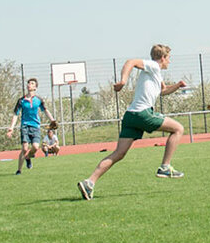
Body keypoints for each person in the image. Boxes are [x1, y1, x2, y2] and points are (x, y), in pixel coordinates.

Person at [78, 44, 189, 200]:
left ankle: (89, 182)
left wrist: (177, 86)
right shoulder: (154, 66)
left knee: (119, 153)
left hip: (130, 116)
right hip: (142, 113)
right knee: (178, 129)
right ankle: (165, 167)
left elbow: (163, 91)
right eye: (169, 58)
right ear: (162, 58)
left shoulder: (155, 74)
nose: (169, 62)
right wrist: (123, 81)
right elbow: (131, 62)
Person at [7, 78, 56, 175]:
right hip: (25, 126)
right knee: (24, 148)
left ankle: (28, 157)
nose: (29, 84)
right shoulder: (21, 101)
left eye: (32, 83)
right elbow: (16, 115)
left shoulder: (38, 100)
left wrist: (52, 120)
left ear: (35, 87)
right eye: (29, 83)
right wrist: (11, 128)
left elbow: (45, 110)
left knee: (35, 147)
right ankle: (19, 170)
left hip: (35, 126)